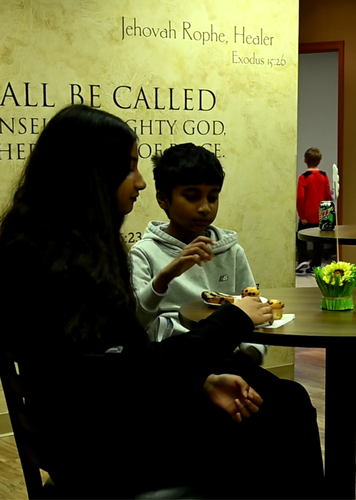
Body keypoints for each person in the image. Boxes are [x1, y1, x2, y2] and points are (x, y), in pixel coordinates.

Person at [0, 104, 324, 500]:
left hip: (85, 431)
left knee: (278, 402)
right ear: (92, 173)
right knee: (282, 414)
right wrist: (232, 320)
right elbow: (114, 375)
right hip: (101, 447)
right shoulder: (64, 266)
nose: (138, 182)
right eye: (130, 166)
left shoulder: (45, 248)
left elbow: (122, 365)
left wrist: (201, 381)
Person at [129, 143, 268, 364]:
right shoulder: (144, 253)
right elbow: (135, 323)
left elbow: (254, 310)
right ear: (163, 199)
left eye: (212, 197)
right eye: (192, 197)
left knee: (291, 395)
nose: (205, 208)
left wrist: (250, 355)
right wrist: (164, 278)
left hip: (228, 361)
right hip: (173, 366)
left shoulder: (231, 251)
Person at [296, 147, 333, 275]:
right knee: (319, 242)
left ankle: (303, 258)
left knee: (300, 237)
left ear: (304, 160)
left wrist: (302, 215)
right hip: (322, 215)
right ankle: (315, 266)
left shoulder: (304, 177)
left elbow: (301, 197)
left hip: (307, 215)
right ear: (320, 161)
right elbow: (328, 195)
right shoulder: (324, 176)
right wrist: (328, 214)